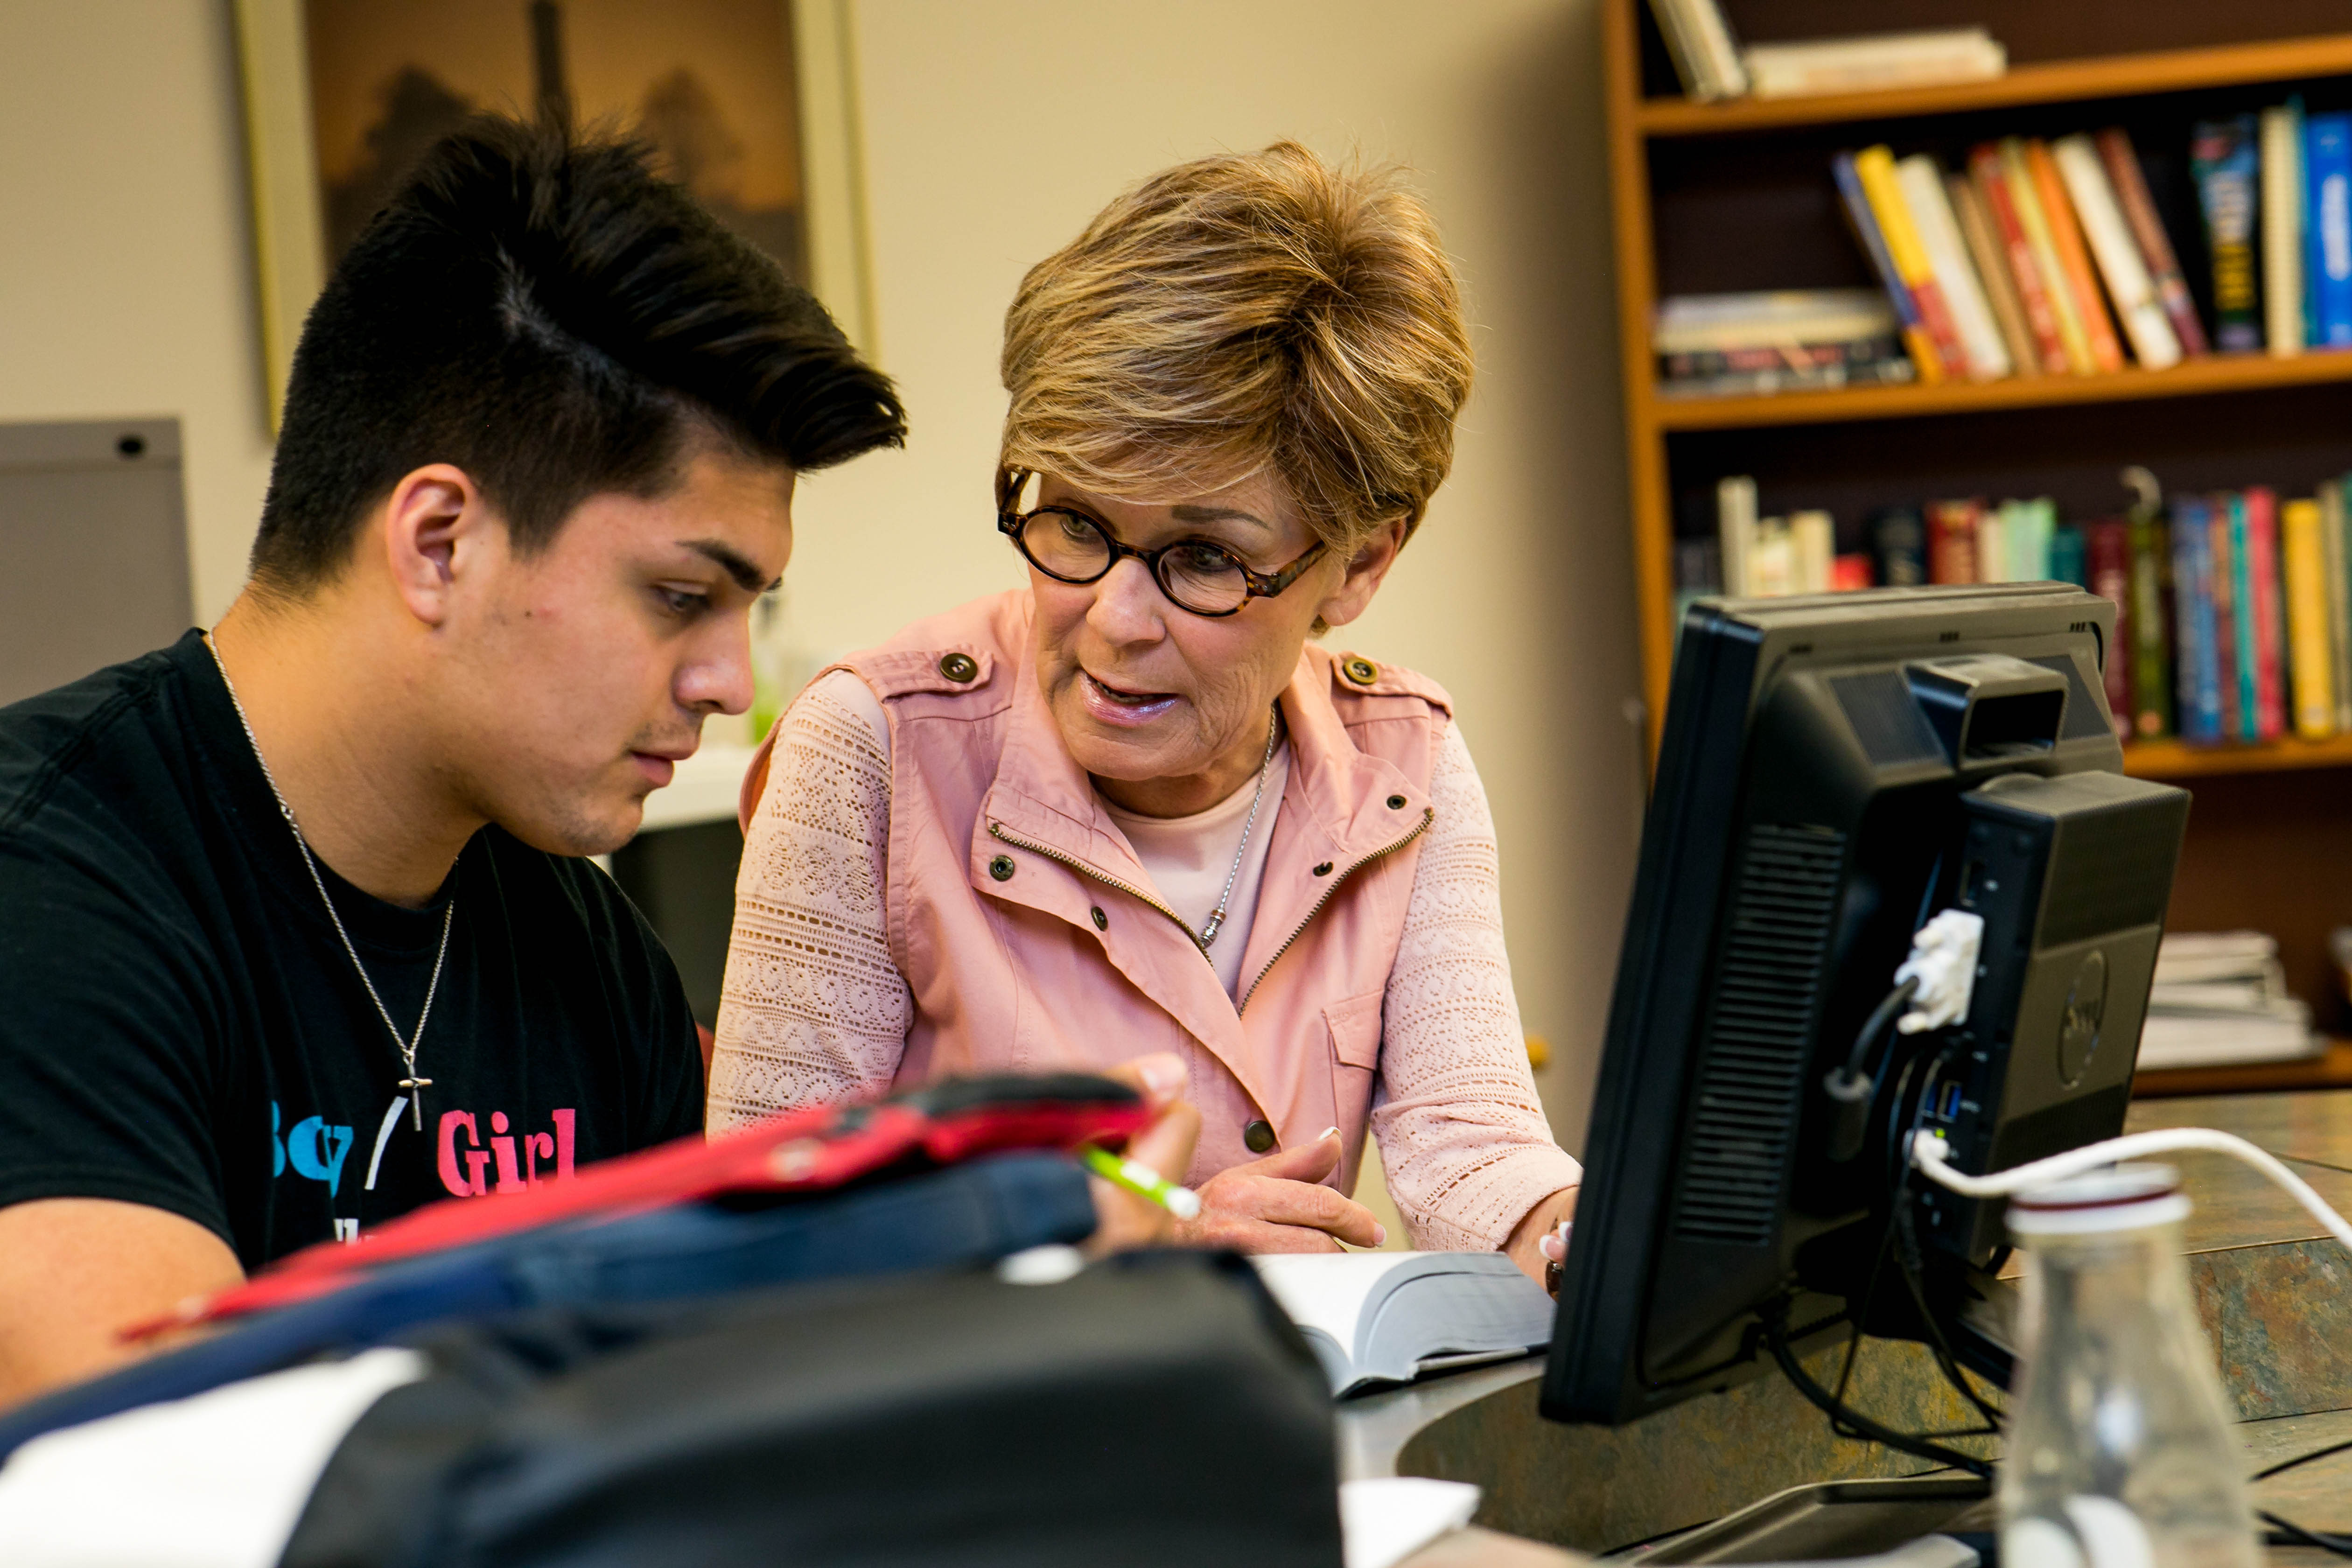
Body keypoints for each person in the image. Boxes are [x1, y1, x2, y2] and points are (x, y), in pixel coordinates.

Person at [0, 118, 1193, 1411]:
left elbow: (723, 1384)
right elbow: (163, 1478)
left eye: (753, 613)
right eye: (683, 596)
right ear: (440, 543)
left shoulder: (576, 937)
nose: (733, 686)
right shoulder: (49, 891)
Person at [709, 142, 1582, 1285]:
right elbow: (763, 1234)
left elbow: (1473, 1149)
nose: (1115, 619)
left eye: (1205, 557)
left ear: (1361, 565)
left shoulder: (1403, 764)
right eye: (1074, 522)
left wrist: (1581, 1236)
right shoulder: (871, 747)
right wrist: (1143, 1242)